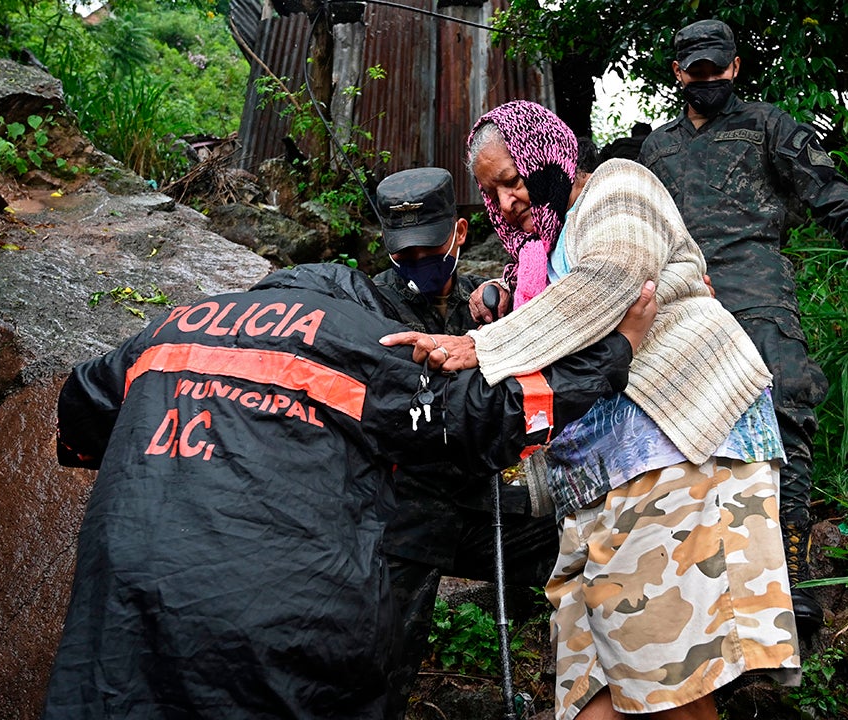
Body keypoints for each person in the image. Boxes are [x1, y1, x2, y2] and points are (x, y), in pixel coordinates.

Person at [42, 262, 656, 720]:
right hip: (282, 624)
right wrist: (611, 355)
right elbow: (474, 420)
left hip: (127, 611)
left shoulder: (166, 330)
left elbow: (80, 411)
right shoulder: (350, 337)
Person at [386, 100, 800, 720]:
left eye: (512, 179)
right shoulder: (536, 252)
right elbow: (559, 311)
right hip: (598, 479)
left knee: (669, 684)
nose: (504, 202)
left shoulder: (619, 186)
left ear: (547, 156)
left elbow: (613, 281)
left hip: (680, 441)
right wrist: (507, 299)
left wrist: (482, 346)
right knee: (590, 692)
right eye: (488, 191)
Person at [638, 18, 848, 631]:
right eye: (695, 73)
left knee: (784, 400)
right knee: (681, 425)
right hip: (680, 295)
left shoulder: (767, 126)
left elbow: (825, 184)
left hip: (756, 284)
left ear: (735, 68)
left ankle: (791, 565)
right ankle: (702, 579)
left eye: (716, 70)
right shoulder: (656, 149)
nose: (707, 81)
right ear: (678, 74)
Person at [369, 167, 561, 720]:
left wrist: (507, 314)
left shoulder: (487, 302)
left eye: (430, 249)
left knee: (580, 546)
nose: (419, 265)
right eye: (405, 255)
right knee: (384, 661)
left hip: (484, 502)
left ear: (458, 232)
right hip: (405, 511)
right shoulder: (369, 308)